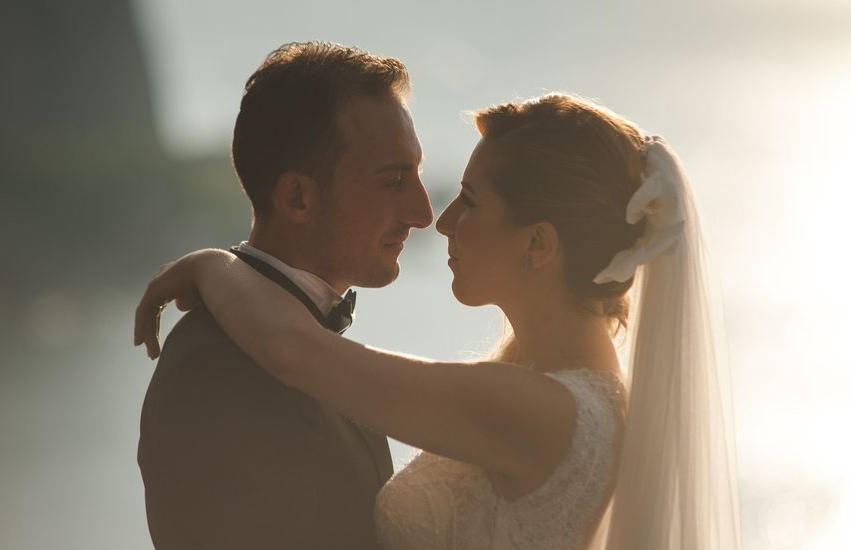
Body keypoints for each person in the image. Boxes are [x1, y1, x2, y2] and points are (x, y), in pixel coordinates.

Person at [136, 93, 743, 549]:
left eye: (471, 200)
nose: (442, 220)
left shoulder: (538, 409)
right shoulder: (570, 392)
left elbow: (295, 353)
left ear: (537, 244)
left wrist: (212, 264)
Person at [136, 42, 433, 549]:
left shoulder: (295, 340)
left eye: (418, 175)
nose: (423, 212)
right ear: (298, 197)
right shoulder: (220, 365)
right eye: (393, 181)